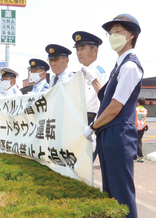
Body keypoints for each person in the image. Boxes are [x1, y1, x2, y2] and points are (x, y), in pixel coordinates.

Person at [83, 14, 143, 218]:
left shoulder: (130, 66)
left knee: (121, 192)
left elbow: (115, 107)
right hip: (109, 134)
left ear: (130, 36)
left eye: (118, 32)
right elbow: (106, 98)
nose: (112, 36)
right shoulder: (119, 67)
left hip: (119, 135)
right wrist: (93, 80)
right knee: (110, 192)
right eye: (110, 33)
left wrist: (92, 127)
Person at [72, 31, 109, 161]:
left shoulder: (100, 72)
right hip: (76, 121)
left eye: (82, 48)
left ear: (94, 50)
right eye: (77, 49)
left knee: (85, 166)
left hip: (90, 122)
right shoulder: (78, 73)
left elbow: (104, 102)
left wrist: (94, 131)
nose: (78, 53)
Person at [135, 97, 148, 162]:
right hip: (142, 126)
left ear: (138, 102)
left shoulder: (136, 109)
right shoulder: (145, 110)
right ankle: (137, 155)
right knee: (139, 141)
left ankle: (140, 156)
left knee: (137, 141)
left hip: (136, 126)